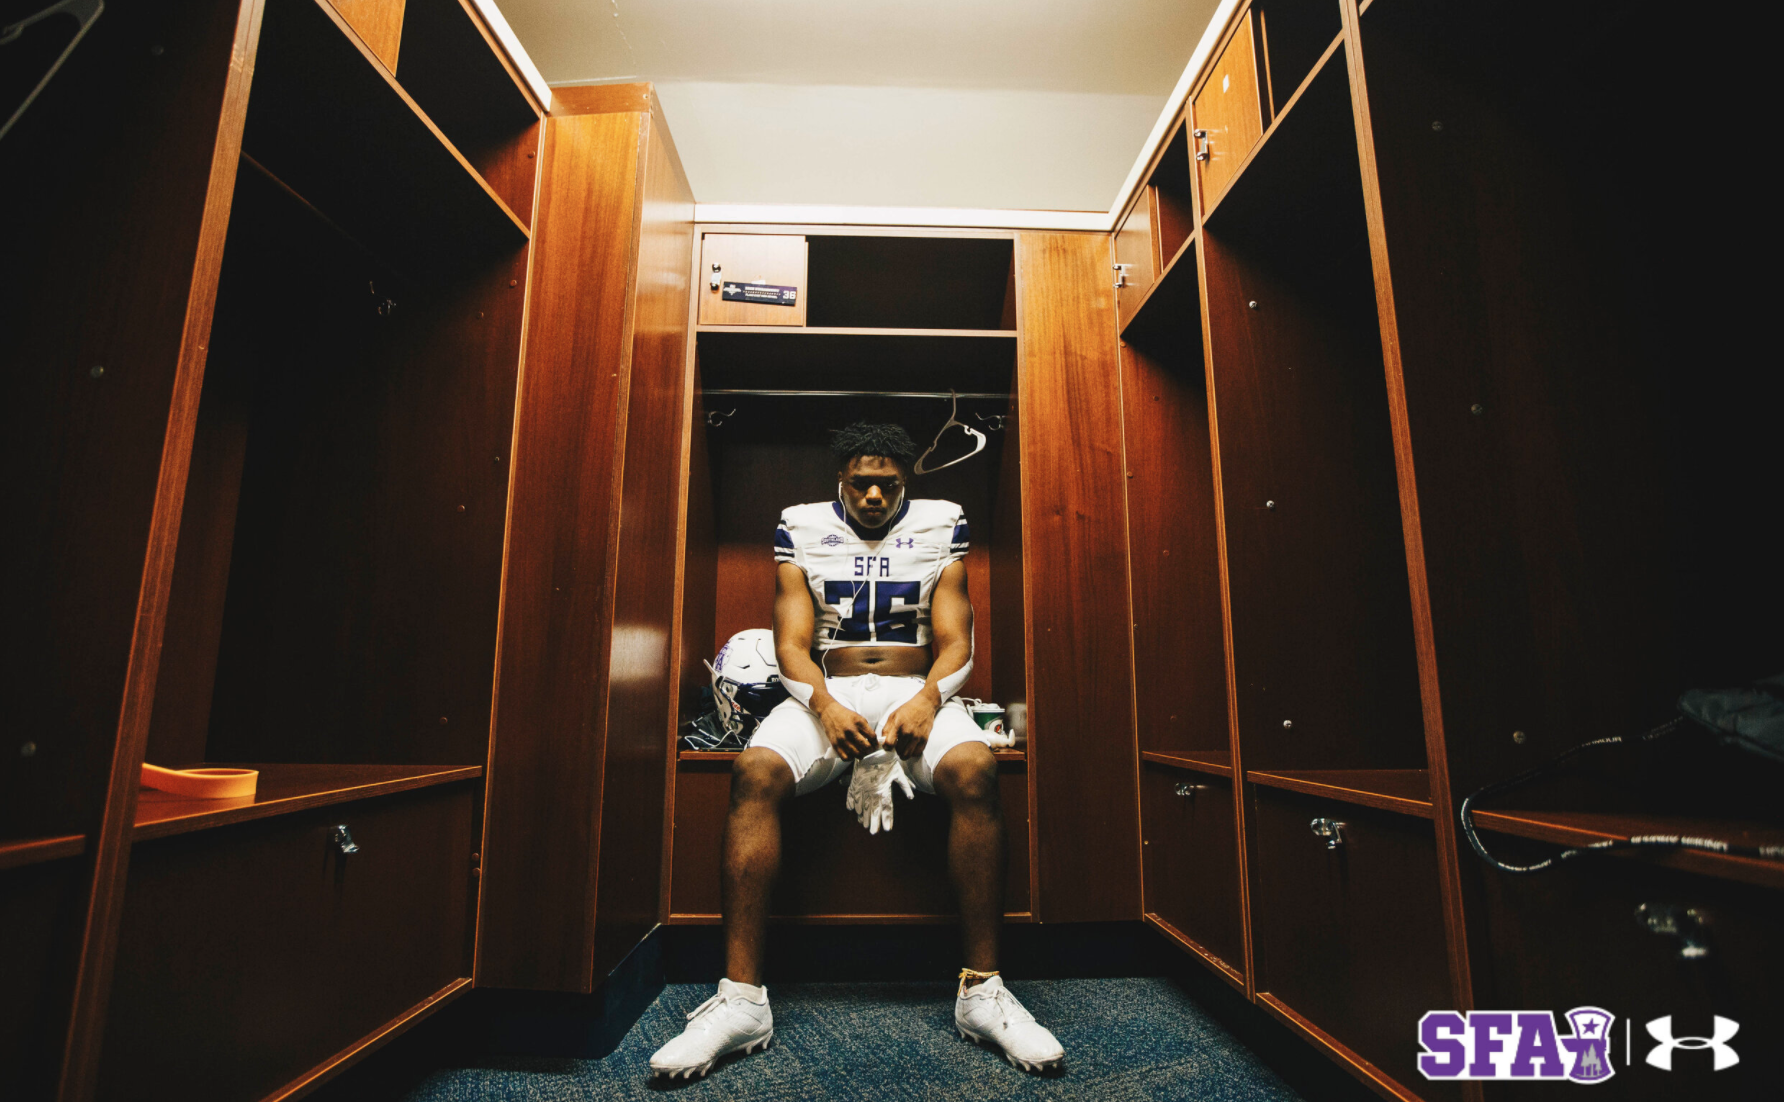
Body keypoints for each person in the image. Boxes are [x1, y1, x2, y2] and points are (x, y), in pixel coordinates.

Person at [649, 422, 1064, 1080]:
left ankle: (983, 993)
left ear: (909, 481)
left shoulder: (941, 521)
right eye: (860, 483)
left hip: (915, 688)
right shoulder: (801, 524)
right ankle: (741, 1001)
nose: (874, 495)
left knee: (976, 770)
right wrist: (825, 705)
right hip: (830, 688)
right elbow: (790, 642)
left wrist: (928, 700)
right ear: (839, 479)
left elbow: (958, 637)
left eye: (888, 484)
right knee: (753, 770)